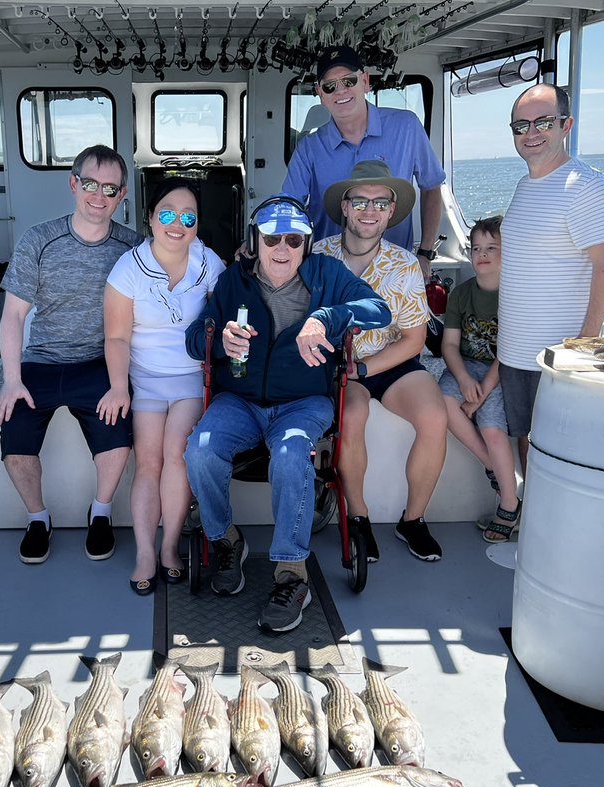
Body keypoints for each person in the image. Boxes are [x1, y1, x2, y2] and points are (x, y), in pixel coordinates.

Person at [183, 197, 390, 634]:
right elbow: (193, 339)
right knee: (201, 451)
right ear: (255, 241)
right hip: (238, 401)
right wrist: (219, 340)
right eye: (271, 237)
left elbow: (379, 310)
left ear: (305, 243)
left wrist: (326, 317)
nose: (282, 248)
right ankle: (225, 540)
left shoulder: (327, 275)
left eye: (293, 239)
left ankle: (291, 573)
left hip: (302, 401)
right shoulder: (232, 283)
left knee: (294, 454)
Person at [0, 145, 139, 565]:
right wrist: (11, 379)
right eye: (91, 184)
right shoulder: (38, 240)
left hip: (100, 363)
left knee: (118, 435)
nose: (99, 196)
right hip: (40, 361)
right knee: (15, 439)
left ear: (122, 195)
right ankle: (38, 518)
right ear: (73, 183)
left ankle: (101, 512)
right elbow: (13, 317)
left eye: (110, 189)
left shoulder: (133, 248)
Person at [311, 160, 448, 563]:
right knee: (352, 418)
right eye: (360, 201)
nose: (369, 210)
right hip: (339, 366)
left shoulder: (405, 264)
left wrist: (367, 369)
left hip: (390, 362)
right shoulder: (317, 256)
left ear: (391, 211)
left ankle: (413, 520)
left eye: (379, 202)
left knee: (435, 418)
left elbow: (414, 340)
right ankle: (358, 518)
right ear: (345, 208)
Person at [98, 178, 225, 595]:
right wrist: (119, 388)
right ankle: (145, 554)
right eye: (167, 213)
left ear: (197, 224)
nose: (177, 224)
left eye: (187, 217)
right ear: (151, 217)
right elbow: (116, 337)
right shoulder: (128, 269)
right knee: (147, 461)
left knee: (177, 454)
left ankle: (170, 548)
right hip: (145, 381)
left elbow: (225, 317)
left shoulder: (209, 263)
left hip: (191, 379)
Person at [499, 83, 604, 474]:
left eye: (543, 122)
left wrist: (585, 343)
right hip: (514, 350)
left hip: (556, 354)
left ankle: (553, 530)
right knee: (524, 440)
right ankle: (530, 517)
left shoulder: (585, 186)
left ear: (565, 125)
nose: (531, 133)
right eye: (521, 125)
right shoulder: (524, 185)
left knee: (558, 452)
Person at [281, 45, 446, 279]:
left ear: (366, 81)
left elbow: (431, 186)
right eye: (330, 86)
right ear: (320, 93)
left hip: (393, 271)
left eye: (349, 81)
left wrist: (425, 253)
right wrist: (259, 243)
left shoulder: (406, 126)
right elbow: (288, 207)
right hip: (327, 273)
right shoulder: (309, 147)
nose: (341, 91)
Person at [437, 216, 520, 542]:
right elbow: (449, 345)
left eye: (491, 248)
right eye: (476, 248)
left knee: (490, 426)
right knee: (444, 402)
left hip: (501, 370)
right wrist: (462, 378)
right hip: (466, 365)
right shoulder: (461, 294)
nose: (481, 254)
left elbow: (509, 352)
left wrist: (481, 392)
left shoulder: (515, 294)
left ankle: (509, 504)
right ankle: (496, 469)